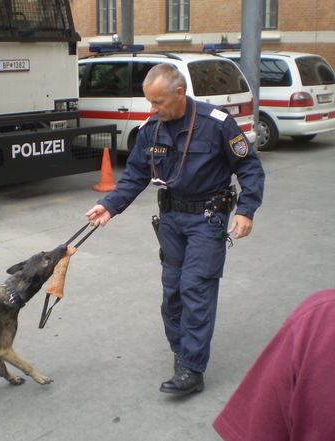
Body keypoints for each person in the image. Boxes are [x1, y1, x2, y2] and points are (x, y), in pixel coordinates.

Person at [85, 63, 265, 396]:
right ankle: (181, 352)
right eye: (149, 103)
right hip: (170, 219)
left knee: (196, 288)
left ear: (179, 93)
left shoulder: (218, 125)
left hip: (208, 219)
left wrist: (246, 210)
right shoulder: (152, 128)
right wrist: (110, 205)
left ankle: (192, 369)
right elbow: (136, 175)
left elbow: (250, 167)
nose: (153, 109)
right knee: (172, 292)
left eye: (159, 103)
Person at [213, 289, 335, 441]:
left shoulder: (325, 316)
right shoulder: (326, 316)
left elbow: (260, 427)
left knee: (196, 288)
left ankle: (193, 366)